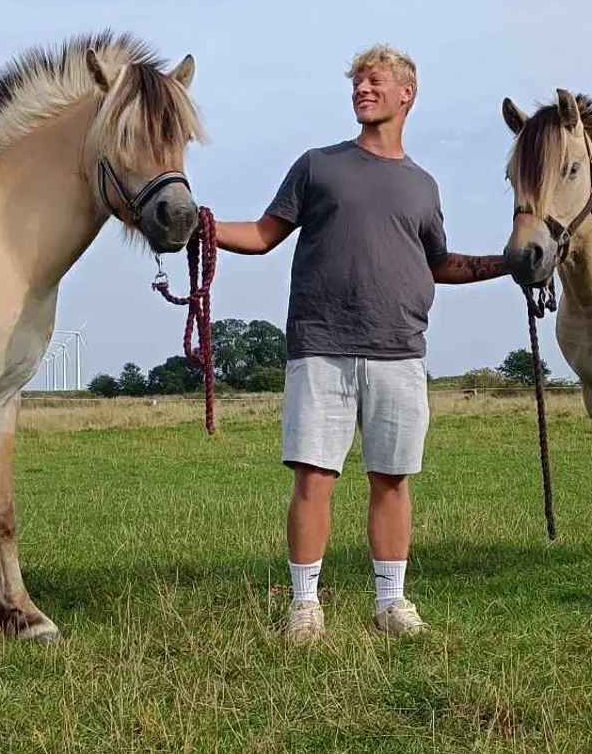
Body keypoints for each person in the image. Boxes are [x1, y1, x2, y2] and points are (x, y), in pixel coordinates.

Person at [214, 44, 508, 642]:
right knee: (314, 477)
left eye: (374, 81)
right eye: (356, 83)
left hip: (400, 348)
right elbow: (266, 234)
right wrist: (202, 226)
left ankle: (391, 603)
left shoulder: (422, 186)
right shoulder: (317, 166)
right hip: (321, 346)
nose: (361, 90)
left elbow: (438, 263)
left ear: (408, 94)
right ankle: (304, 607)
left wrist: (509, 263)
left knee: (393, 478)